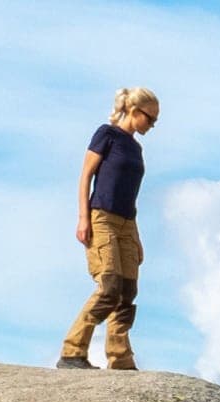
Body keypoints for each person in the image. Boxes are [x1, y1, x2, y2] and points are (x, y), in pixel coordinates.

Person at [58, 87, 158, 370]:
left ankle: (120, 358)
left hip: (127, 223)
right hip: (101, 217)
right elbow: (86, 175)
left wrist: (136, 237)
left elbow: (131, 195)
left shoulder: (136, 148)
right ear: (135, 112)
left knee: (127, 291)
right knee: (110, 287)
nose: (151, 126)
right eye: (150, 119)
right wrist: (83, 217)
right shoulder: (107, 134)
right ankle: (72, 351)